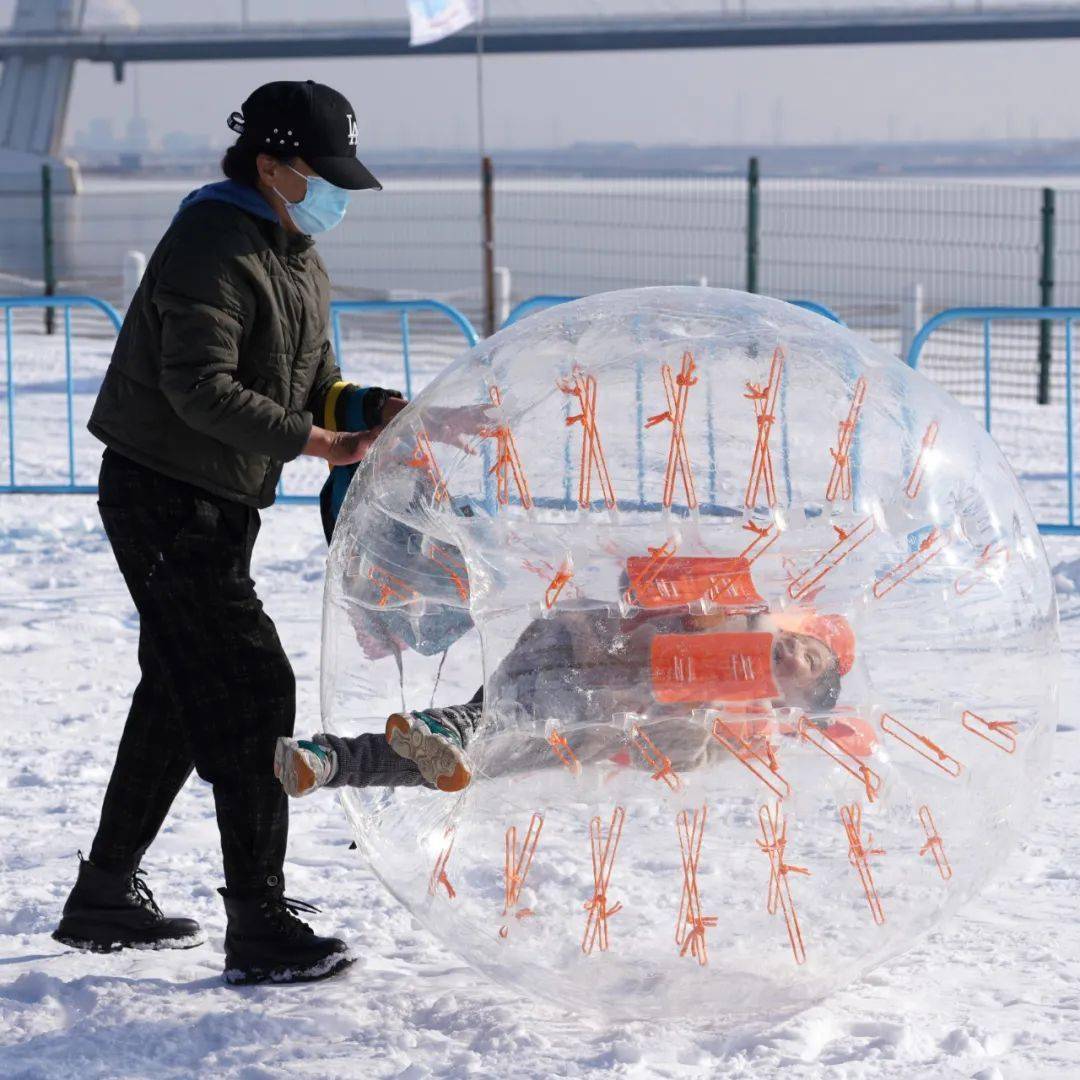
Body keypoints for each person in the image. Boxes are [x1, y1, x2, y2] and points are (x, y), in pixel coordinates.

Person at [53, 80, 406, 986]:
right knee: (252, 687)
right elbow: (198, 387)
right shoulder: (213, 239)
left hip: (219, 501)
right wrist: (320, 442)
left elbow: (313, 383)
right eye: (318, 174)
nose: (331, 193)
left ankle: (102, 893)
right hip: (162, 496)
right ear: (270, 165)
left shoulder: (296, 253)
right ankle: (258, 921)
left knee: (179, 689)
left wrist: (372, 412)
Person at [274, 551, 856, 799]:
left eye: (811, 666)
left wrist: (678, 709)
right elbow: (630, 590)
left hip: (586, 715)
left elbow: (662, 749)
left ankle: (326, 762)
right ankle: (370, 752)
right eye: (805, 644)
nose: (801, 652)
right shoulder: (727, 604)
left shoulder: (734, 730)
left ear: (788, 706)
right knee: (499, 729)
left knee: (469, 754)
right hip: (569, 650)